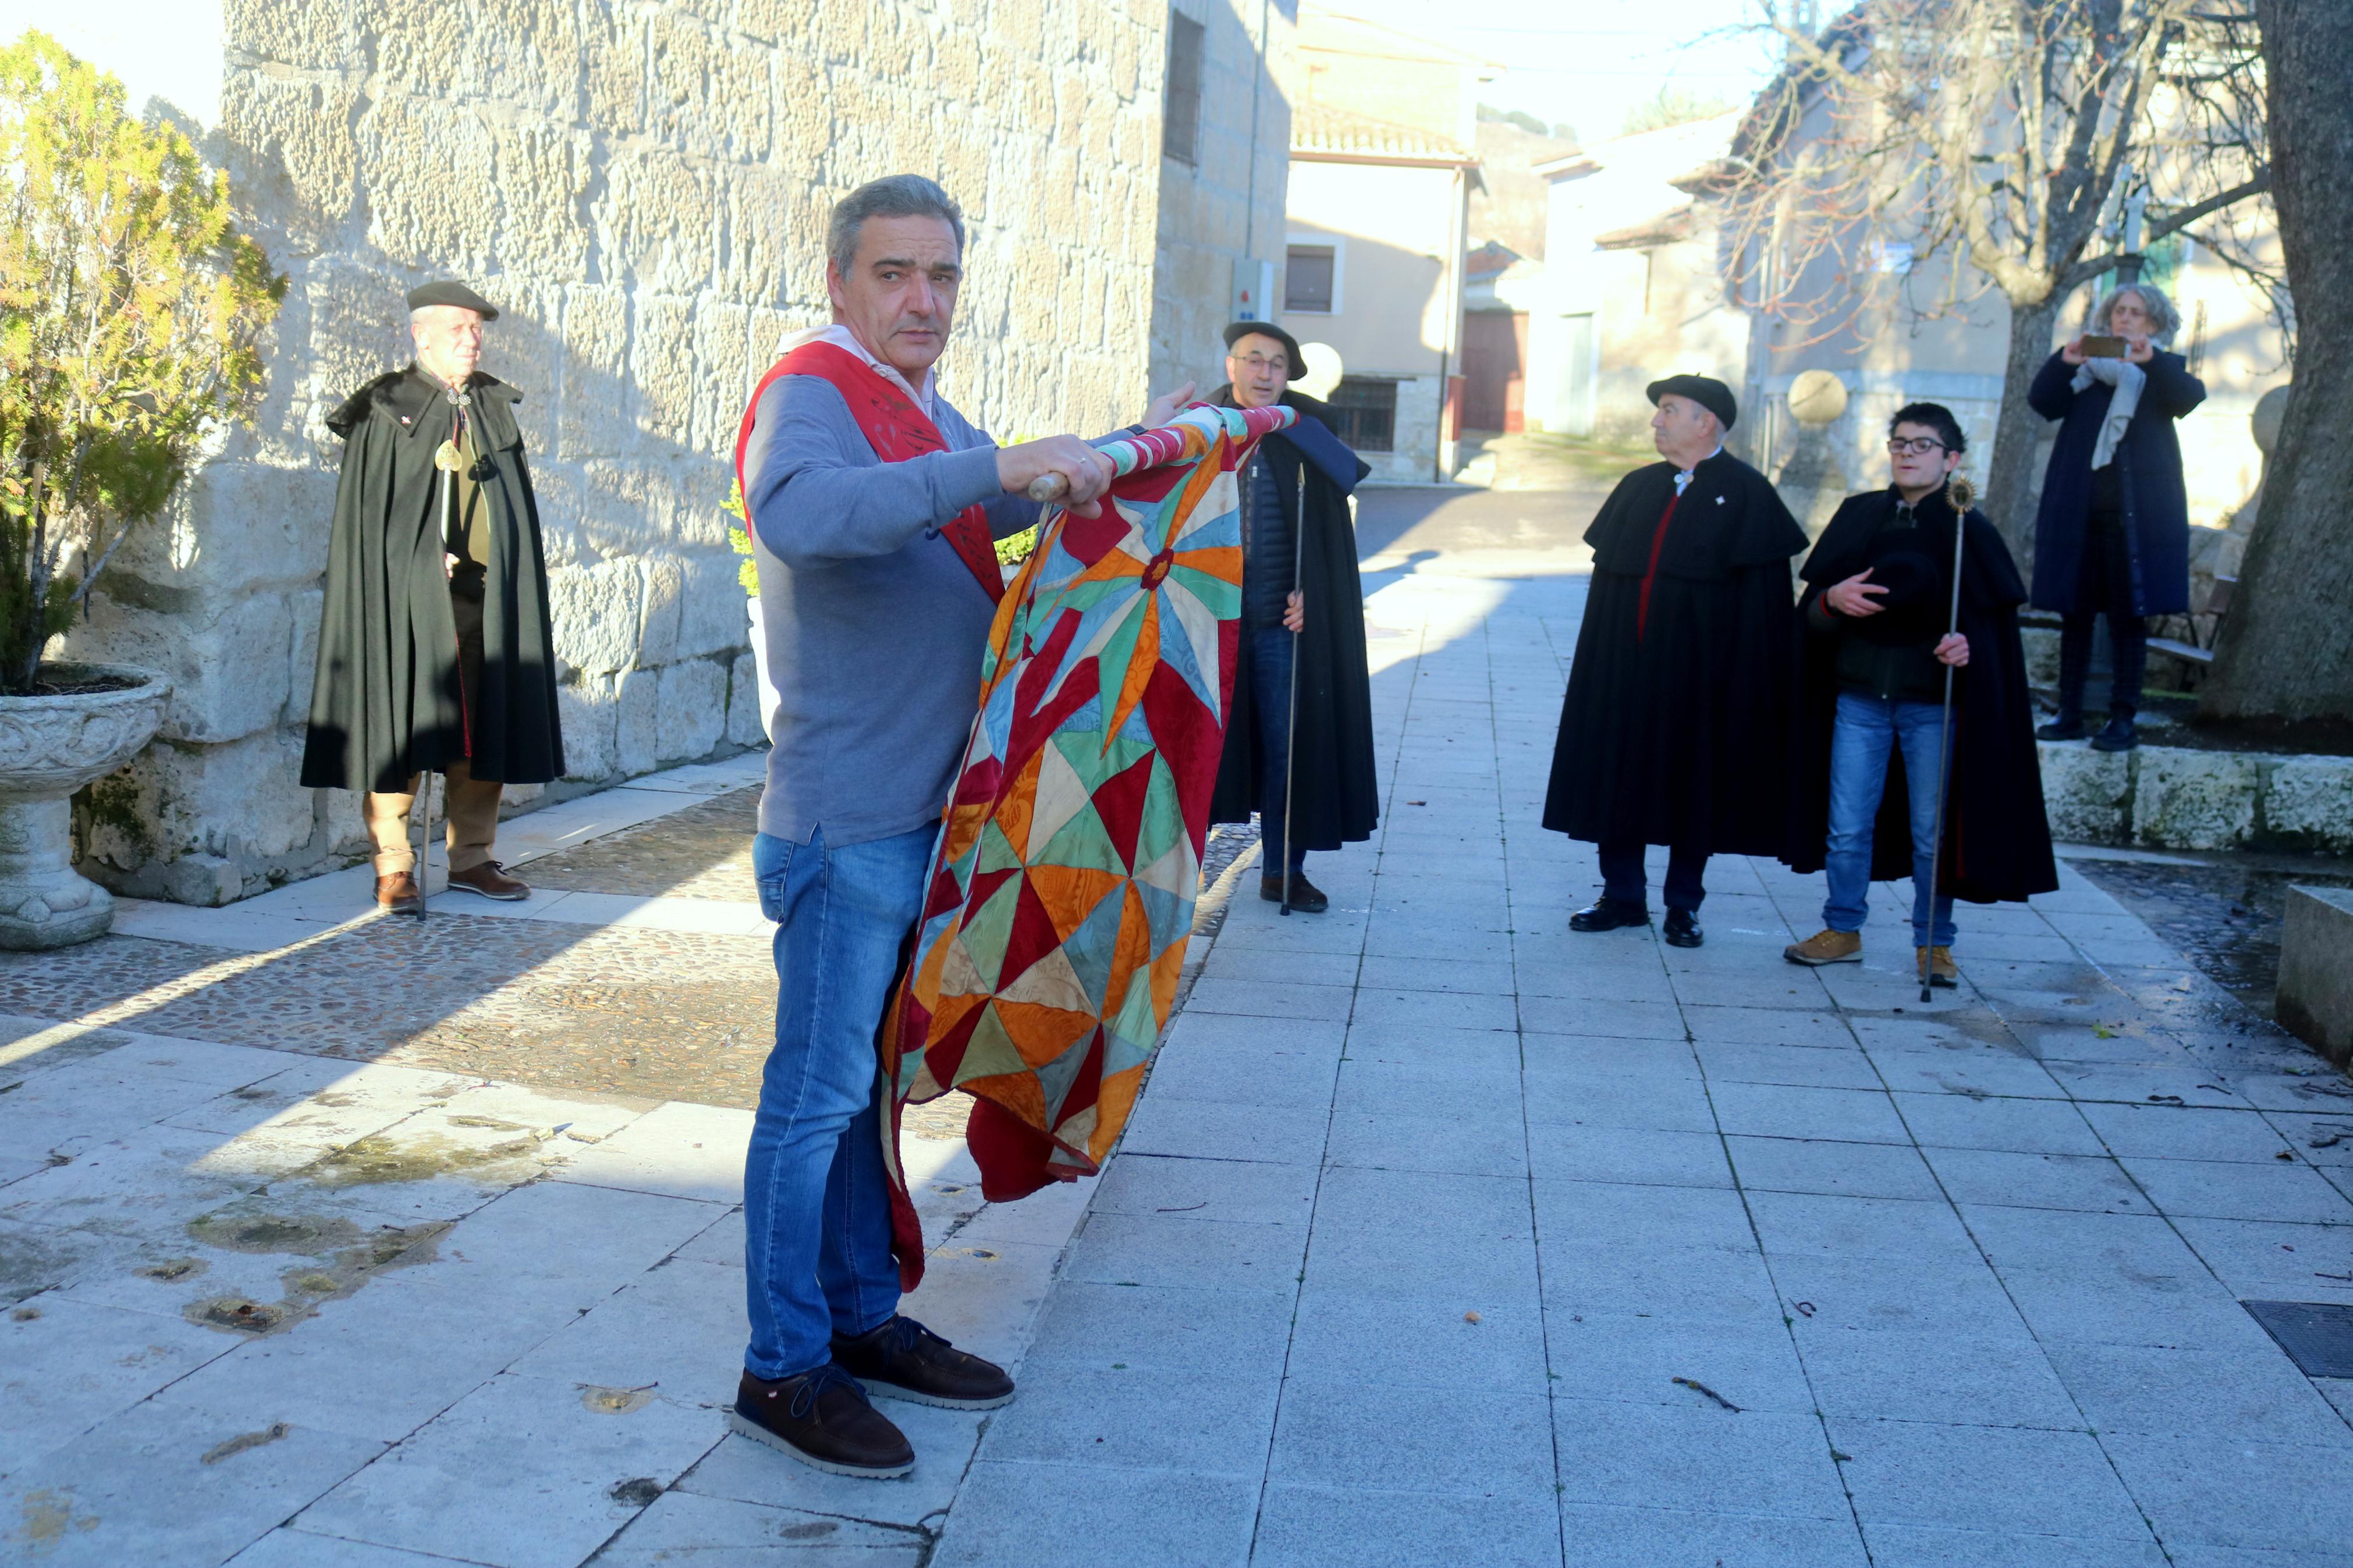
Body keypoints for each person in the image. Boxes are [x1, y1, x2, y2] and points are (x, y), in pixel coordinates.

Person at [729, 175, 1194, 1480]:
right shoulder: (812, 389)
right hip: (846, 821)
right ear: (838, 281)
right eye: (892, 274)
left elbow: (987, 502)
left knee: (862, 1095)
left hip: (928, 820)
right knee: (812, 1101)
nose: (922, 299)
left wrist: (1125, 445)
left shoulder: (917, 407)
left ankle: (859, 1321)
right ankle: (781, 1367)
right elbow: (805, 513)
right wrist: (991, 465)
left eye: (940, 276)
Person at [300, 282, 564, 912]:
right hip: (408, 601)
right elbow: (366, 519)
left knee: (483, 725)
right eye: (457, 330)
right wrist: (418, 556)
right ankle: (394, 864)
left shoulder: (492, 406)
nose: (471, 340)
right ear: (420, 336)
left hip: (483, 596)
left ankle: (472, 858)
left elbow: (508, 505)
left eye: (476, 330)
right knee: (405, 723)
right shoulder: (388, 409)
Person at [1781, 404, 2058, 987]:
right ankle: (1841, 928)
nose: (1906, 452)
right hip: (1858, 699)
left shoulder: (1968, 530)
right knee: (1846, 825)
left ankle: (1933, 942)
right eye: (1898, 442)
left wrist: (1968, 647)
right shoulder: (1858, 516)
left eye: (1922, 444)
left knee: (1932, 832)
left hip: (1932, 706)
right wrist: (1831, 601)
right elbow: (1810, 616)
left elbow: (1992, 632)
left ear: (1950, 459)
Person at [1542, 374, 1807, 948]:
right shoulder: (1638, 487)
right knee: (1618, 778)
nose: (1655, 421)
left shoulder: (1746, 492)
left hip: (1701, 681)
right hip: (1626, 672)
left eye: (1668, 410)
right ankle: (1621, 896)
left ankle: (1682, 904)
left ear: (1705, 421)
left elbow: (1763, 610)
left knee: (1696, 786)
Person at [1205, 321, 1379, 913]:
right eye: (1253, 360)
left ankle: (1282, 870)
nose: (1264, 373)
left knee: (1288, 749)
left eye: (1276, 364)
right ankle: (1175, 873)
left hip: (1281, 624)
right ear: (1231, 366)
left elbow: (1329, 535)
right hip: (1209, 622)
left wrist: (1315, 590)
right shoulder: (1199, 430)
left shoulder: (1305, 432)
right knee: (1197, 747)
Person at [2027, 282, 2206, 752]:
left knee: (2130, 619)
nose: (2125, 319)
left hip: (2135, 522)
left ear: (2153, 323)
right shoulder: (2086, 373)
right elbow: (2042, 402)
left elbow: (2190, 397)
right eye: (2119, 312)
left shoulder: (2160, 372)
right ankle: (2069, 712)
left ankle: (2121, 717)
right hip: (2079, 517)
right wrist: (2062, 362)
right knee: (2076, 616)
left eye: (2137, 314)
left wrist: (2150, 361)